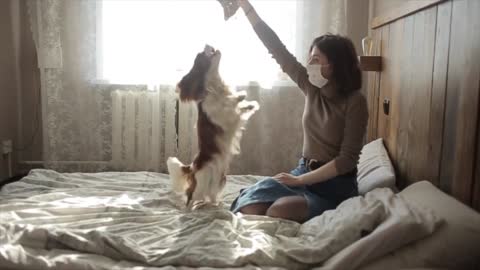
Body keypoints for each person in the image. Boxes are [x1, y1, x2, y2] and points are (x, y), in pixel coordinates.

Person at [230, 0, 369, 223]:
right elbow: (277, 49)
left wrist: (299, 181)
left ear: (334, 65)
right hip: (303, 171)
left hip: (335, 186)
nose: (309, 64)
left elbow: (347, 161)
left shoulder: (355, 101)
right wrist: (247, 7)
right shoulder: (311, 87)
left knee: (279, 210)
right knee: (249, 207)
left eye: (316, 59)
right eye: (310, 58)